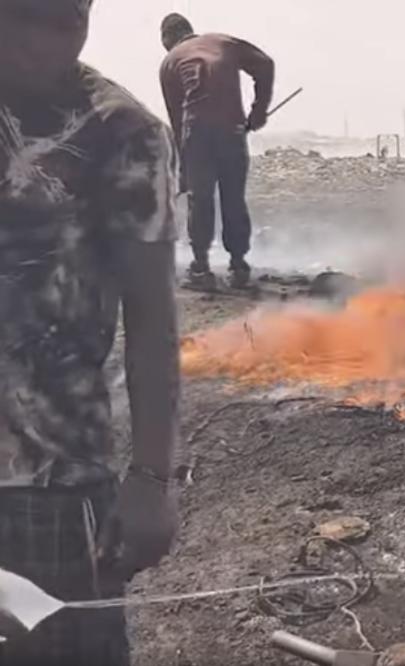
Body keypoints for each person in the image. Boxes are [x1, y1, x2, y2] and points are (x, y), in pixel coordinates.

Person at [0, 0, 180, 663]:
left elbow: (153, 312)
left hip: (56, 484)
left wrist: (152, 479)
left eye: (68, 18)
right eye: (25, 16)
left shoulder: (121, 132)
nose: (46, 40)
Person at [159, 13, 275, 289]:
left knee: (201, 198)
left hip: (196, 133)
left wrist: (183, 167)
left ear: (166, 39)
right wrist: (258, 112)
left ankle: (201, 268)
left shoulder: (169, 62)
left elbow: (177, 119)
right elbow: (265, 64)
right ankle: (238, 266)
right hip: (232, 129)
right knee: (233, 197)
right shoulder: (223, 42)